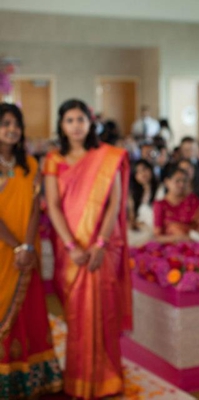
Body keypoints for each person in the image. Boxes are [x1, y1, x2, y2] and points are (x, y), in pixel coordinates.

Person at [43, 99, 131, 399]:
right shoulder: (53, 160)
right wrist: (70, 245)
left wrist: (100, 245)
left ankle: (107, 379)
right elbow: (52, 206)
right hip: (70, 250)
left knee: (104, 312)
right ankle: (79, 379)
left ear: (90, 122)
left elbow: (114, 204)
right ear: (61, 125)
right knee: (77, 316)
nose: (76, 125)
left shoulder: (108, 157)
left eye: (81, 119)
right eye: (69, 120)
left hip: (102, 248)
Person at [0, 103, 62, 398]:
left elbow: (37, 209)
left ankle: (31, 377)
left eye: (16, 124)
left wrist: (26, 246)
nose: (12, 129)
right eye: (5, 123)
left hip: (28, 250)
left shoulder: (31, 165)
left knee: (31, 311)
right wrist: (15, 246)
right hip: (2, 251)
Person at [153, 167, 199, 243]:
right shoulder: (160, 204)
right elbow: (157, 236)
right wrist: (178, 238)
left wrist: (189, 237)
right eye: (177, 181)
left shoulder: (193, 200)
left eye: (184, 181)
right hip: (168, 247)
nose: (181, 184)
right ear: (167, 182)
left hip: (194, 244)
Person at [128, 159, 159, 247]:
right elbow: (132, 218)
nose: (142, 174)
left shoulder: (161, 189)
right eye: (138, 172)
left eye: (144, 169)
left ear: (151, 169)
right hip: (140, 228)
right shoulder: (134, 195)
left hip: (156, 228)